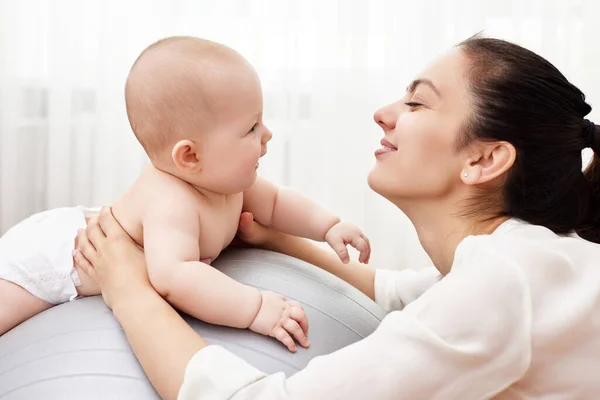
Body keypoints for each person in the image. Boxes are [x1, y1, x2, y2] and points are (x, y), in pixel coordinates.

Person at [74, 35, 600, 399]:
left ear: (483, 159)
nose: (385, 113)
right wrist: (278, 238)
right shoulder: (521, 260)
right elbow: (403, 297)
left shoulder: (506, 281)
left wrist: (127, 287)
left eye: (417, 104)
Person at [0, 36, 372, 346]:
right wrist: (255, 309)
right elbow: (176, 278)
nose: (268, 134)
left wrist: (328, 227)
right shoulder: (171, 201)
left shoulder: (228, 183)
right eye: (251, 128)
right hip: (55, 259)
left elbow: (277, 204)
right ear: (190, 156)